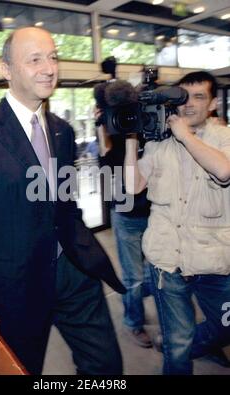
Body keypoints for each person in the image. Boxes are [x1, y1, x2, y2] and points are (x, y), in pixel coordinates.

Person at [0, 27, 125, 375]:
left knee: (106, 366)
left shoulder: (62, 130)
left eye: (53, 57)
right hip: (16, 285)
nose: (49, 68)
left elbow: (65, 202)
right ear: (6, 70)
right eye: (34, 60)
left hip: (73, 273)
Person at [124, 71, 230, 374]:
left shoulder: (225, 137)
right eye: (183, 97)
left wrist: (185, 135)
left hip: (215, 262)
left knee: (225, 327)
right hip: (166, 261)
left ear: (212, 104)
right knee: (177, 347)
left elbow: (223, 171)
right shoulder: (160, 141)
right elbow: (133, 186)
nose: (189, 104)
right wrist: (132, 139)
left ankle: (192, 342)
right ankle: (177, 344)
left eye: (199, 97)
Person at [96, 114, 152, 348]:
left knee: (153, 274)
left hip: (153, 213)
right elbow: (105, 160)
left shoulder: (151, 136)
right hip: (126, 215)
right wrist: (102, 126)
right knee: (134, 277)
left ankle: (130, 298)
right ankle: (133, 322)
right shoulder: (115, 140)